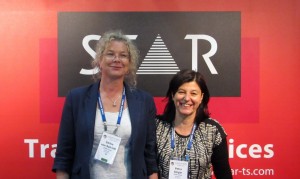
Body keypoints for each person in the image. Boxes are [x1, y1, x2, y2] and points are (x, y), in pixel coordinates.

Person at [52, 30, 158, 179]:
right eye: (110, 54)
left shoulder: (144, 101)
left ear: (129, 64)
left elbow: (150, 155)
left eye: (123, 55)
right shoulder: (76, 98)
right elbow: (64, 155)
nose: (117, 59)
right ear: (99, 60)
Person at [155, 69, 232, 179]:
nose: (187, 98)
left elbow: (224, 175)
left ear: (201, 97)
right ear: (173, 95)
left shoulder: (213, 131)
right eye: (181, 92)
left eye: (193, 93)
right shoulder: (156, 126)